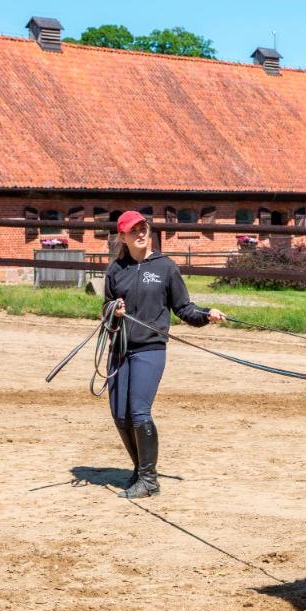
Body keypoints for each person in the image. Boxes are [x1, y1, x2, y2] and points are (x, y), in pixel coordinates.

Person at [104, 210, 226, 498]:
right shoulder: (115, 270)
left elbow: (183, 307)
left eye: (143, 228)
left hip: (150, 348)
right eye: (133, 230)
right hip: (119, 348)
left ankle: (149, 480)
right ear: (123, 236)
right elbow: (106, 310)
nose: (140, 233)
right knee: (119, 414)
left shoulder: (165, 268)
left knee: (138, 410)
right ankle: (139, 469)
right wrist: (113, 311)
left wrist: (206, 315)